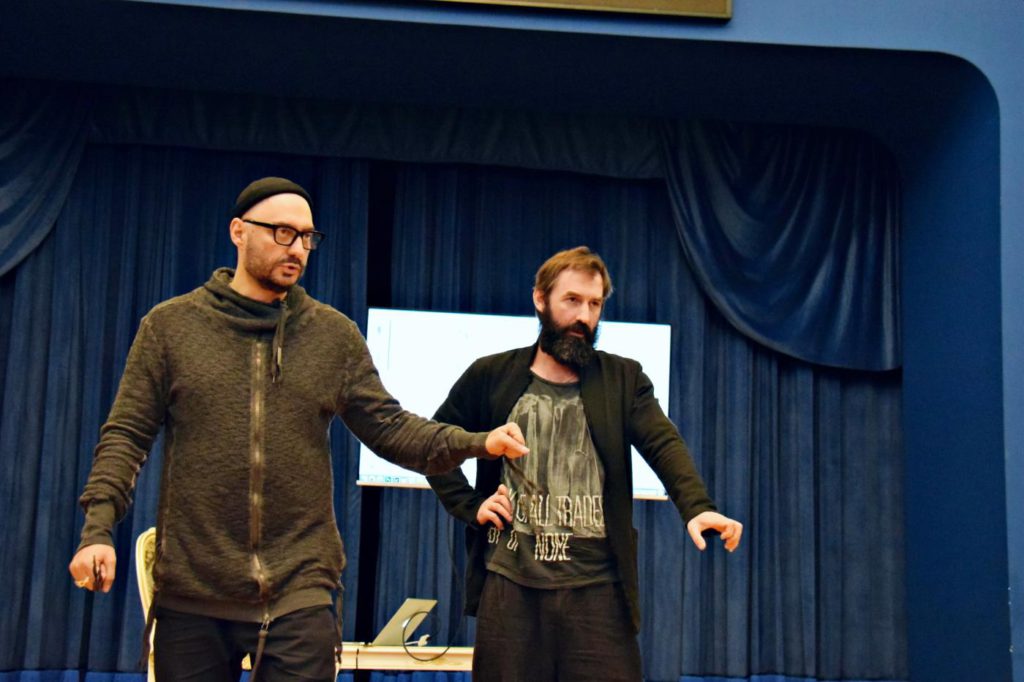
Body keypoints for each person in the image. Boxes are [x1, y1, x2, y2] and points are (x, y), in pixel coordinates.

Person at [67, 177, 528, 682]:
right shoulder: (171, 327)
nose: (299, 249)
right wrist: (98, 530)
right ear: (238, 231)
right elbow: (126, 435)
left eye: (308, 237)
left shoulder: (331, 335)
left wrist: (477, 442)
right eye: (283, 233)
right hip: (194, 587)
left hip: (299, 587)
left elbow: (391, 429)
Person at [427, 246, 743, 682]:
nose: (584, 316)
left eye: (594, 305)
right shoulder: (492, 374)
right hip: (511, 587)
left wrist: (697, 506)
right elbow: (432, 443)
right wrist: (469, 505)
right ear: (541, 299)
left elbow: (663, 443)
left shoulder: (623, 378)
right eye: (572, 300)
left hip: (598, 591)